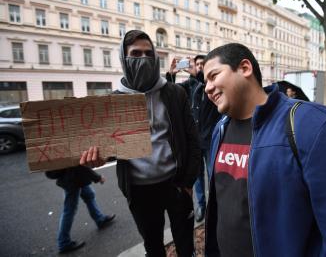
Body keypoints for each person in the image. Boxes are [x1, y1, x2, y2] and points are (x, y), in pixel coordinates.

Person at [203, 43, 326, 257]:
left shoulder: (316, 125)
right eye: (205, 81)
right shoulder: (221, 128)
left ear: (245, 68)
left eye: (213, 76)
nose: (207, 87)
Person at [80, 30, 201, 257]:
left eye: (148, 53)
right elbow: (111, 148)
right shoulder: (113, 102)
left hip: (176, 185)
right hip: (139, 191)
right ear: (124, 59)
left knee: (186, 245)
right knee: (153, 246)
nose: (143, 59)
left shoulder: (175, 93)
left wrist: (187, 183)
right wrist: (97, 158)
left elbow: (193, 141)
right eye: (135, 54)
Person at [167, 55, 221, 222]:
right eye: (195, 64)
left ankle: (216, 206)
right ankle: (202, 207)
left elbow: (206, 87)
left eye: (200, 65)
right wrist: (171, 74)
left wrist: (197, 75)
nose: (197, 67)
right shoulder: (188, 86)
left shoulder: (209, 84)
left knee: (213, 175)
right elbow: (170, 91)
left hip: (210, 141)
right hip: (194, 143)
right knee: (197, 178)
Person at [45, 166, 115, 254]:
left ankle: (99, 219)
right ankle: (63, 243)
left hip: (72, 177)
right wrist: (98, 177)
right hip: (73, 179)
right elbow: (80, 165)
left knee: (89, 195)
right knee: (69, 210)